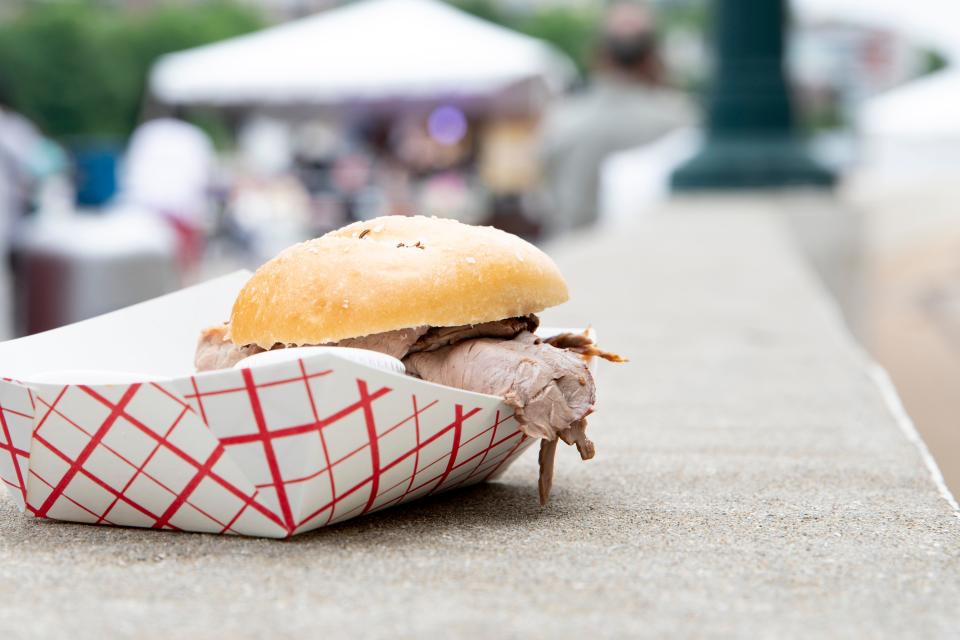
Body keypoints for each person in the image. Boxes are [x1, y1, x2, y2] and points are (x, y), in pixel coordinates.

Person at [539, 2, 697, 234]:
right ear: (653, 56)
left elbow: (548, 198)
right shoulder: (682, 118)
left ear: (598, 53)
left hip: (571, 254)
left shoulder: (561, 120)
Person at [121, 107, 216, 273]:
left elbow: (128, 173)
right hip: (180, 216)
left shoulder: (147, 133)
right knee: (183, 274)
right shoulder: (195, 137)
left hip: (141, 216)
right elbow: (203, 178)